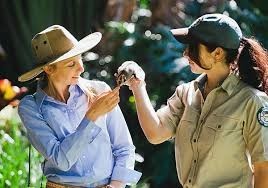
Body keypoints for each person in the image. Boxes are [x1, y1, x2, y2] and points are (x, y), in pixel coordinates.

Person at [116, 13, 268, 187]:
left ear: (217, 53)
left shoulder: (253, 102)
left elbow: (264, 170)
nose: (185, 53)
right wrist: (138, 86)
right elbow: (156, 133)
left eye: (193, 48)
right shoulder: (186, 93)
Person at [18, 25, 141, 188]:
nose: (81, 68)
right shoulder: (31, 107)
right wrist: (92, 115)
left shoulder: (99, 90)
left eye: (80, 59)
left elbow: (124, 147)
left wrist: (116, 185)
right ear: (49, 68)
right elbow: (61, 160)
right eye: (71, 64)